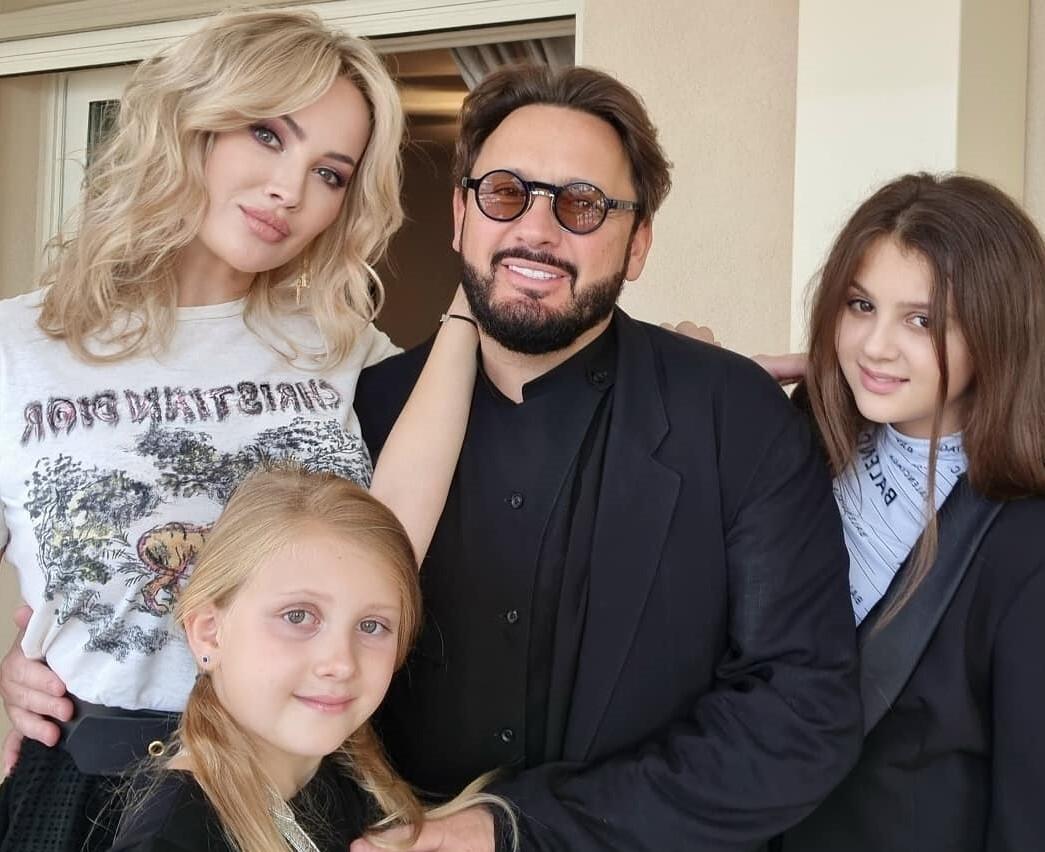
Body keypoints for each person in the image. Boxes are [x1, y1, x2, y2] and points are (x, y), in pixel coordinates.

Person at [350, 65, 863, 852]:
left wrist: (512, 831)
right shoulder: (363, 413)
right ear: (460, 216)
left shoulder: (733, 416)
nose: (536, 230)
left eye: (583, 203)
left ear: (638, 244)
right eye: (505, 193)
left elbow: (799, 711)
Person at [0, 9, 479, 851]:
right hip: (85, 790)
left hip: (301, 789)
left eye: (329, 173)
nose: (291, 190)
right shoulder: (18, 348)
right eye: (266, 134)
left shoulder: (346, 350)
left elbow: (408, 530)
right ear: (189, 121)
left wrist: (675, 374)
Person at [756, 173, 1045, 851]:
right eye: (860, 305)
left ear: (998, 331)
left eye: (922, 320)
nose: (875, 346)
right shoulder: (803, 440)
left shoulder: (1024, 538)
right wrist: (723, 401)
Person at [110, 466, 512, 851]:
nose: (342, 663)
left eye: (371, 625)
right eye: (298, 616)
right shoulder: (169, 839)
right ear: (209, 633)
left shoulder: (344, 777)